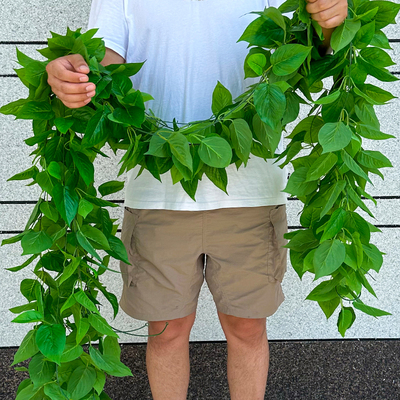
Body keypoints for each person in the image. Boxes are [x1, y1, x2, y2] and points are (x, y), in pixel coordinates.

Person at [46, 0, 348, 398]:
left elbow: (307, 50)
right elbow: (106, 64)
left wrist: (331, 24)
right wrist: (72, 74)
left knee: (247, 328)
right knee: (166, 332)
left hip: (251, 193)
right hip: (158, 191)